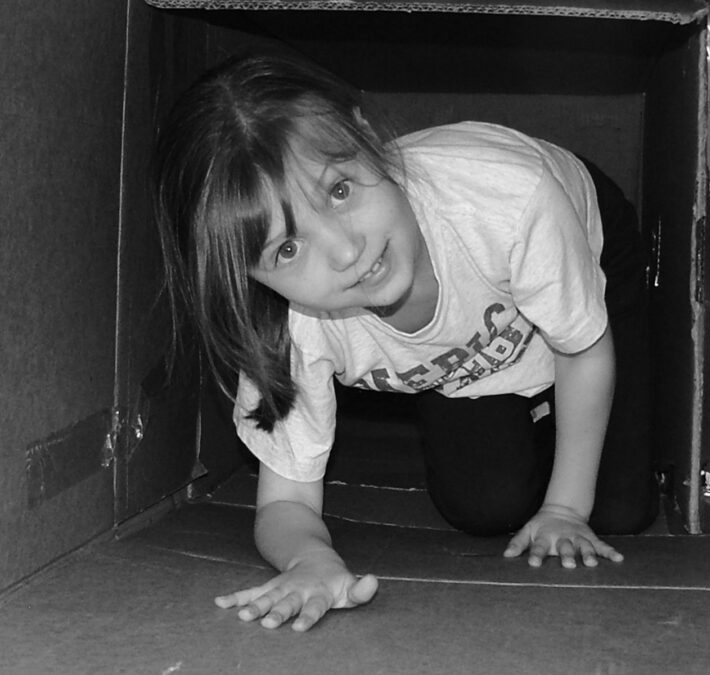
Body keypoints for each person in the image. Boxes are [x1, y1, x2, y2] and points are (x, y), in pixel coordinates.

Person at [152, 53, 657, 633]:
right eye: (286, 250)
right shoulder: (290, 326)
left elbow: (582, 349)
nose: (346, 252)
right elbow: (285, 499)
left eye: (339, 191)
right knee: (484, 508)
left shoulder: (511, 201)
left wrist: (565, 509)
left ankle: (553, 424)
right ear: (249, 278)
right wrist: (311, 560)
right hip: (472, 353)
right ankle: (536, 414)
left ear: (369, 140)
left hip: (584, 247)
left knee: (619, 509)